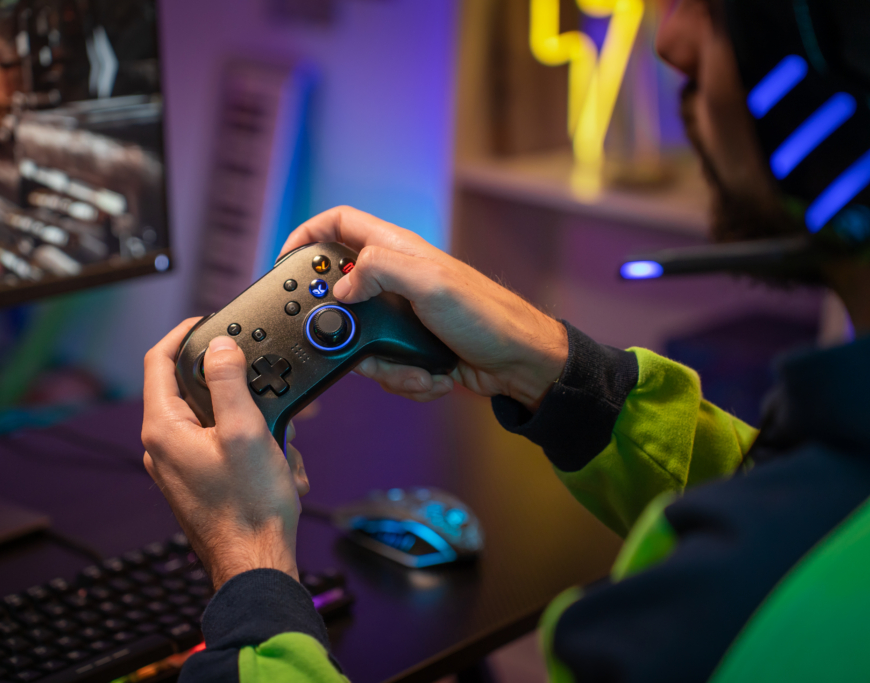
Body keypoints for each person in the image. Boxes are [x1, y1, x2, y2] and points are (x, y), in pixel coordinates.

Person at [141, 0, 870, 680]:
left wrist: (251, 568)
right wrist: (555, 366)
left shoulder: (707, 628)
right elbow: (777, 489)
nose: (672, 41)